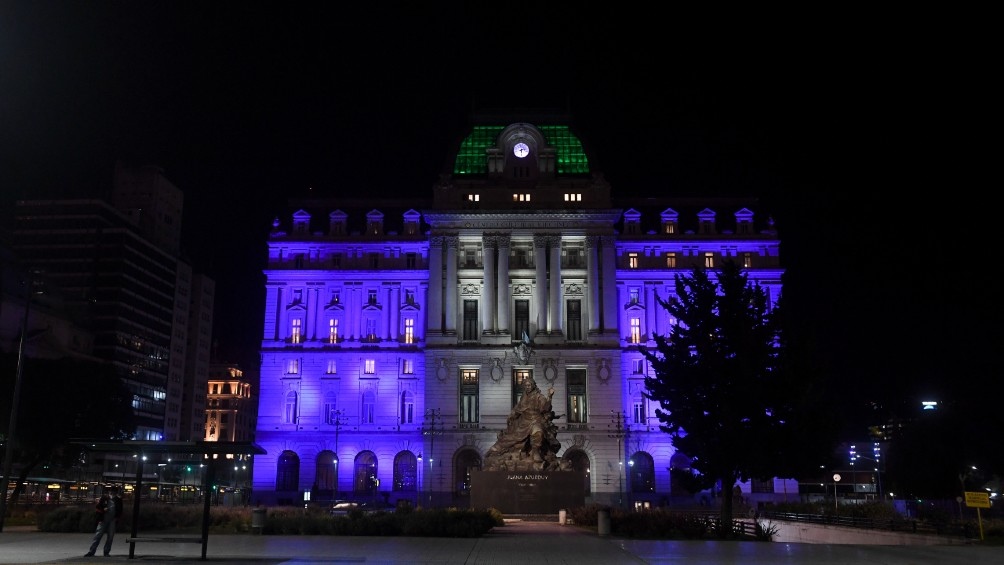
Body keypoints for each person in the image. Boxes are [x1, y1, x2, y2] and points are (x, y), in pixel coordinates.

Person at [485, 376, 555, 464]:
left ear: (533, 385)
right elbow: (518, 408)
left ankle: (536, 452)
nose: (527, 387)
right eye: (526, 385)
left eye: (529, 385)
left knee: (538, 432)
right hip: (523, 421)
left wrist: (550, 397)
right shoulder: (523, 397)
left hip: (535, 420)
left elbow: (545, 408)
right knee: (511, 437)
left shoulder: (539, 396)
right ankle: (496, 449)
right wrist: (512, 415)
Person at [85, 486, 123, 557]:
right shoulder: (107, 498)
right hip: (105, 519)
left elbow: (120, 510)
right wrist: (103, 510)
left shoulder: (115, 499)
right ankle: (98, 551)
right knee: (100, 536)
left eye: (113, 492)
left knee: (105, 536)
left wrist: (116, 518)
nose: (112, 493)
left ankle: (98, 551)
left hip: (110, 520)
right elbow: (98, 507)